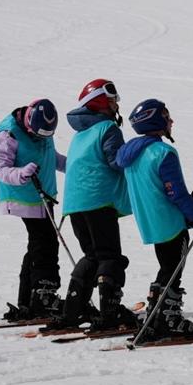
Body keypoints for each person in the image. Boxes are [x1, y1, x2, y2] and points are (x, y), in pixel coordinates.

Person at [115, 98, 193, 341]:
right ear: (156, 121)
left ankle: (157, 317)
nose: (171, 121)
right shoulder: (163, 152)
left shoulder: (131, 154)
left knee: (167, 267)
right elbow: (175, 191)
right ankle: (167, 319)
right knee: (172, 269)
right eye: (167, 117)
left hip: (150, 222)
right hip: (170, 221)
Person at [52, 78, 136, 331]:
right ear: (99, 101)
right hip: (99, 201)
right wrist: (137, 154)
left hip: (75, 204)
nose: (116, 105)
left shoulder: (79, 135)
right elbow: (116, 161)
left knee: (92, 255)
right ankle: (109, 313)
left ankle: (72, 311)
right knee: (109, 255)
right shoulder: (107, 129)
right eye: (112, 100)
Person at [0, 97, 65, 323]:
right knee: (45, 244)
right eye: (36, 134)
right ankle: (43, 297)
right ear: (28, 120)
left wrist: (74, 166)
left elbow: (50, 157)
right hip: (23, 196)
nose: (38, 138)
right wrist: (21, 173)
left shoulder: (41, 127)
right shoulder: (8, 133)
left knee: (38, 245)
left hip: (43, 196)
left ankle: (29, 299)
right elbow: (1, 168)